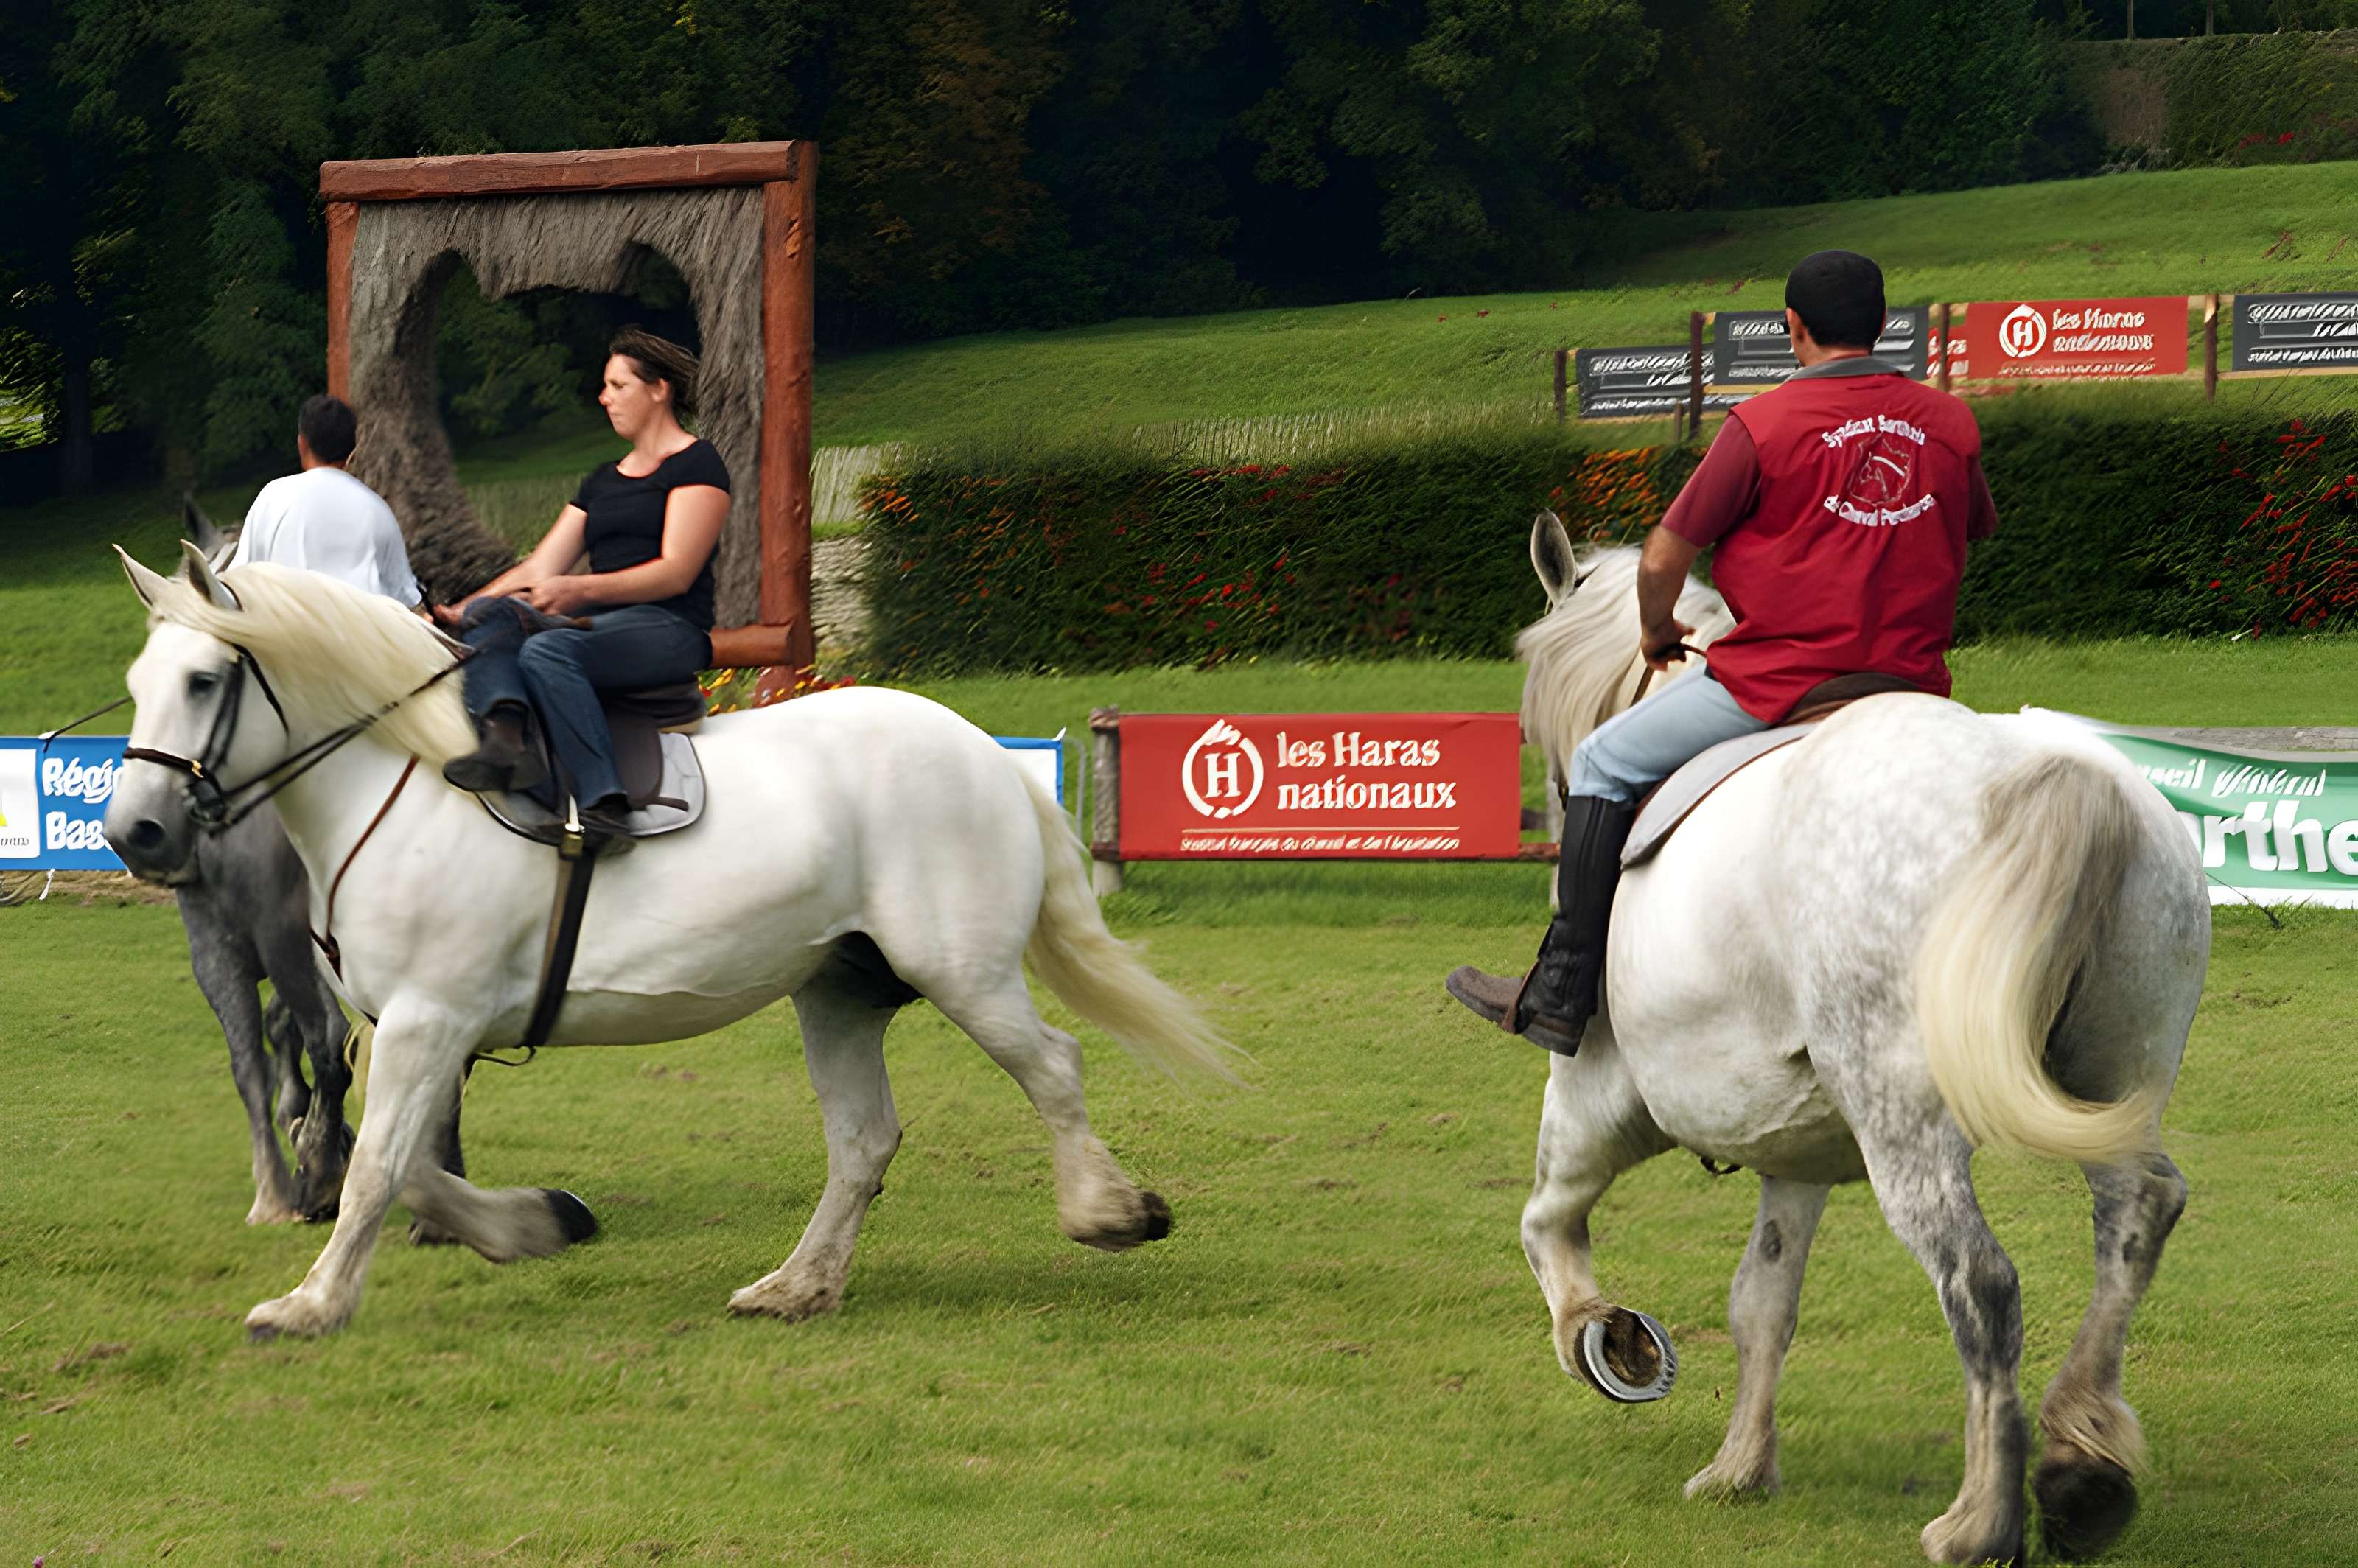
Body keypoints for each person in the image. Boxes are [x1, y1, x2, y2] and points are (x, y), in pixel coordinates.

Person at [1447, 250, 2001, 1054]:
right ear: (1883, 327)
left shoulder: (1760, 425)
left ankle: (1561, 990)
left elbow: (1663, 558)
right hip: (1909, 684)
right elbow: (1973, 524)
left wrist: (1654, 630)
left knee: (1601, 761)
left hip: (1781, 681)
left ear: (1791, 329)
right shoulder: (1948, 421)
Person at [436, 328, 729, 833]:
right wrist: (461, 611)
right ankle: (507, 744)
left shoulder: (696, 463)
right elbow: (538, 568)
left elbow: (677, 570)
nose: (604, 397)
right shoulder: (602, 479)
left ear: (659, 389)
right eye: (606, 386)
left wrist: (581, 589)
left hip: (667, 629)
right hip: (597, 626)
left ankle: (605, 803)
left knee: (546, 652)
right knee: (491, 616)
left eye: (618, 385)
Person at [226, 395, 423, 609]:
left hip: (286, 639)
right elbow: (405, 598)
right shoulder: (379, 511)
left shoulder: (272, 496)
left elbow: (238, 581)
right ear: (353, 450)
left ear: (302, 444)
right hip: (360, 640)